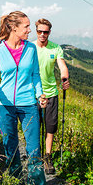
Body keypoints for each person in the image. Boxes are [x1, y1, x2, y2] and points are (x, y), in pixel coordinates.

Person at [0, 11, 48, 185]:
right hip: (5, 106)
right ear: (14, 28)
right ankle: (15, 182)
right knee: (10, 147)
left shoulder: (31, 49)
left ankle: (38, 184)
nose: (30, 30)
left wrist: (40, 95)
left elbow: (35, 75)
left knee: (34, 149)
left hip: (29, 104)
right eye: (27, 26)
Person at [33, 18, 69, 175]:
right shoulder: (30, 48)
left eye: (45, 32)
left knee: (50, 126)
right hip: (33, 93)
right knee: (35, 126)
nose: (42, 34)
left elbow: (62, 66)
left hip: (51, 93)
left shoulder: (56, 48)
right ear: (36, 31)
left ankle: (47, 157)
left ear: (49, 32)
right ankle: (34, 155)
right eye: (39, 31)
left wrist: (64, 79)